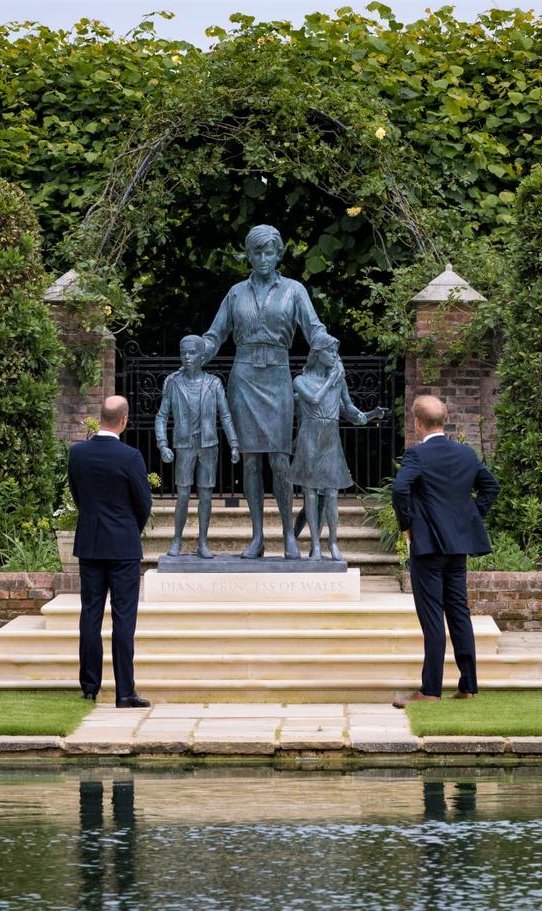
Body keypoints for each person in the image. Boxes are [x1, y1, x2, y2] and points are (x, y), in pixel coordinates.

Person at [200, 224, 329, 559]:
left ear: (278, 254)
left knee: (280, 459)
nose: (261, 258)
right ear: (249, 254)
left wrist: (328, 346)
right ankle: (257, 537)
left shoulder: (294, 291)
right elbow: (216, 335)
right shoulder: (236, 293)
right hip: (243, 378)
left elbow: (313, 329)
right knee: (251, 460)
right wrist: (198, 350)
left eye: (268, 252)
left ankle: (288, 534)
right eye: (256, 252)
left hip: (277, 376)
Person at [390, 395, 499, 708]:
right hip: (457, 548)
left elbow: (400, 489)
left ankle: (430, 690)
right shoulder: (465, 453)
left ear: (417, 423)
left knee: (433, 618)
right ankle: (468, 686)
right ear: (443, 420)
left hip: (428, 549)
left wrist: (408, 524)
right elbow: (490, 486)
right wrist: (470, 518)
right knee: (458, 614)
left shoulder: (417, 456)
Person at [67, 396, 153, 708]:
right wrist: (130, 528)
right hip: (123, 547)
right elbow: (144, 503)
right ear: (123, 420)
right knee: (123, 618)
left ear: (100, 417)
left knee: (90, 614)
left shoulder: (77, 454)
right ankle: (125, 692)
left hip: (91, 544)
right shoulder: (130, 456)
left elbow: (78, 497)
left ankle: (90, 686)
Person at [290, 332, 387, 560]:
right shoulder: (301, 380)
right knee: (311, 493)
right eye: (330, 351)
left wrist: (371, 414)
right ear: (317, 353)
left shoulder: (338, 381)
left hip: (330, 437)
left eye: (336, 352)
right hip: (309, 437)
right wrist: (332, 380)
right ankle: (315, 545)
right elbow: (314, 399)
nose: (334, 356)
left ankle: (333, 542)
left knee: (332, 493)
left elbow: (350, 410)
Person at [155, 334, 241, 558]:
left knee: (206, 495)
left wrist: (233, 443)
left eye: (192, 352)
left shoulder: (213, 383)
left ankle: (203, 542)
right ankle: (177, 540)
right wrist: (163, 444)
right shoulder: (173, 383)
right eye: (183, 353)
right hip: (184, 446)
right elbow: (161, 416)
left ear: (203, 356)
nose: (187, 357)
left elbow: (226, 415)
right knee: (183, 495)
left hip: (208, 445)